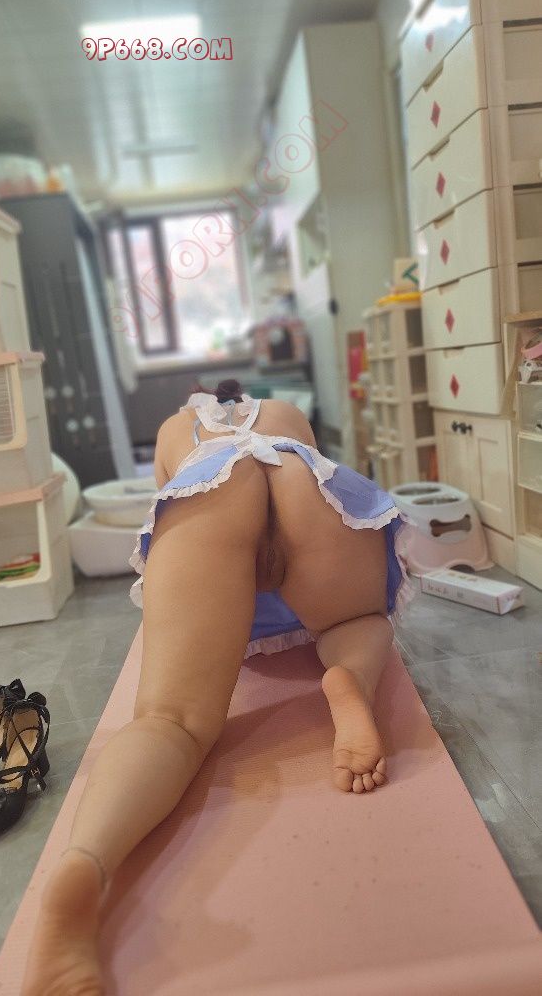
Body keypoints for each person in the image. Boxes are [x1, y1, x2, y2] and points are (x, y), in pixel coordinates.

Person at [24, 379, 413, 995]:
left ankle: (88, 861)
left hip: (210, 485)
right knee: (355, 621)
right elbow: (313, 473)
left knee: (170, 721)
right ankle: (348, 680)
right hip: (297, 475)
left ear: (193, 403)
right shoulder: (284, 413)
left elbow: (165, 506)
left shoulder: (176, 431)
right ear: (247, 398)